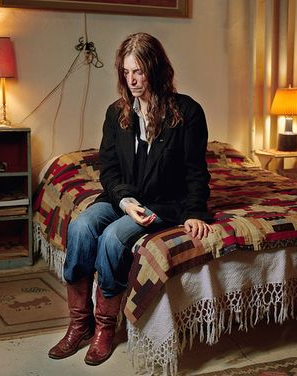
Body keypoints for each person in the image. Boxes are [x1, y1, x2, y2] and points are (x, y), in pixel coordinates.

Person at [48, 32, 213, 366]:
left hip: (164, 202)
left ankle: (105, 329)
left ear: (156, 69)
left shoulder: (187, 112)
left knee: (111, 239)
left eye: (139, 71)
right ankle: (80, 324)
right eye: (127, 72)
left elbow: (196, 170)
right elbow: (108, 169)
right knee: (81, 228)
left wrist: (195, 211)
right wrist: (124, 201)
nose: (133, 80)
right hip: (121, 198)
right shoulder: (117, 113)